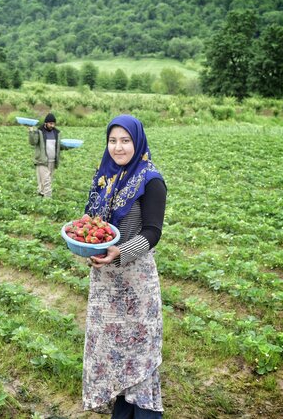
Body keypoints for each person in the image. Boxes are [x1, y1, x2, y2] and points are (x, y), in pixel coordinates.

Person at [82, 115, 167, 417]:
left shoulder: (150, 179)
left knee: (139, 356)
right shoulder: (104, 177)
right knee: (113, 353)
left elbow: (153, 233)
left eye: (125, 140)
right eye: (113, 140)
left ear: (138, 141)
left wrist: (119, 252)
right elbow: (90, 223)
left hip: (135, 283)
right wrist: (88, 245)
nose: (118, 147)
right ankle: (122, 411)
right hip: (105, 283)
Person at [28, 112, 68, 197]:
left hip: (53, 161)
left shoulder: (57, 133)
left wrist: (68, 146)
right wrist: (31, 132)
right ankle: (48, 200)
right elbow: (33, 142)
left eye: (53, 123)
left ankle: (41, 195)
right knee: (46, 181)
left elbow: (58, 146)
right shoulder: (39, 131)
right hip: (42, 160)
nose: (52, 125)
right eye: (50, 123)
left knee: (44, 181)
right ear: (46, 123)